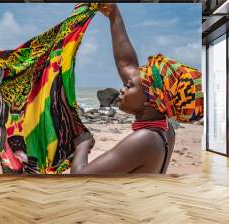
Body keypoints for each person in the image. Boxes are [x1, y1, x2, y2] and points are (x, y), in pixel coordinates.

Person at [70, 3, 176, 174]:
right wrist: (114, 15)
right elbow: (126, 63)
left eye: (129, 85)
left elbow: (80, 178)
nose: (122, 88)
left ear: (150, 102)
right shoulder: (165, 128)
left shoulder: (145, 139)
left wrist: (82, 145)